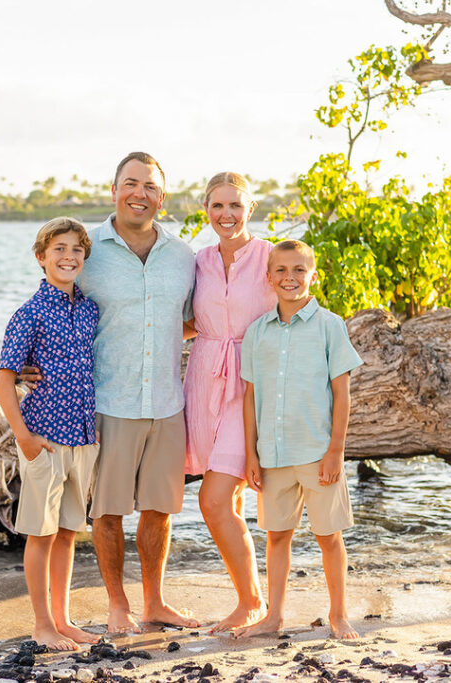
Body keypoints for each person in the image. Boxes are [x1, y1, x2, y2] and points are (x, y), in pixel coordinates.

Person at [76, 152, 199, 633]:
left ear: (161, 198)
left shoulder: (183, 256)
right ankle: (117, 605)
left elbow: (192, 321)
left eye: (149, 187)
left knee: (159, 510)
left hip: (168, 403)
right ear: (114, 191)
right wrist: (28, 364)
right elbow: (54, 303)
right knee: (107, 511)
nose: (139, 194)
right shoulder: (87, 249)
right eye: (131, 183)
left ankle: (155, 604)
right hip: (109, 401)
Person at [235, 239, 364, 640]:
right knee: (277, 536)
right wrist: (252, 454)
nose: (290, 278)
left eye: (298, 270)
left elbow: (341, 393)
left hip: (317, 451)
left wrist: (335, 451)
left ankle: (338, 614)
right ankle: (273, 617)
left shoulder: (330, 325)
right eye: (282, 270)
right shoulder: (257, 332)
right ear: (268, 276)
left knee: (328, 536)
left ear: (313, 275)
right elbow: (251, 395)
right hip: (273, 454)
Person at [0, 217, 101, 651]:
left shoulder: (91, 309)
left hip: (82, 435)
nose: (68, 256)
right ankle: (41, 624)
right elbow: (4, 381)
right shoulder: (29, 314)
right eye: (59, 248)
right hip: (43, 437)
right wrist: (24, 438)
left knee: (68, 531)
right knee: (41, 532)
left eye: (77, 249)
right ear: (41, 258)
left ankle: (64, 619)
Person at [182, 172, 275, 632]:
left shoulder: (270, 257)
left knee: (213, 499)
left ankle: (250, 601)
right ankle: (253, 600)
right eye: (218, 206)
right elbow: (175, 321)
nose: (227, 214)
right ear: (206, 211)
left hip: (250, 386)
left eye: (235, 205)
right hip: (203, 379)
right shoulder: (196, 261)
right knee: (230, 500)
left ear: (250, 209)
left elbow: (299, 313)